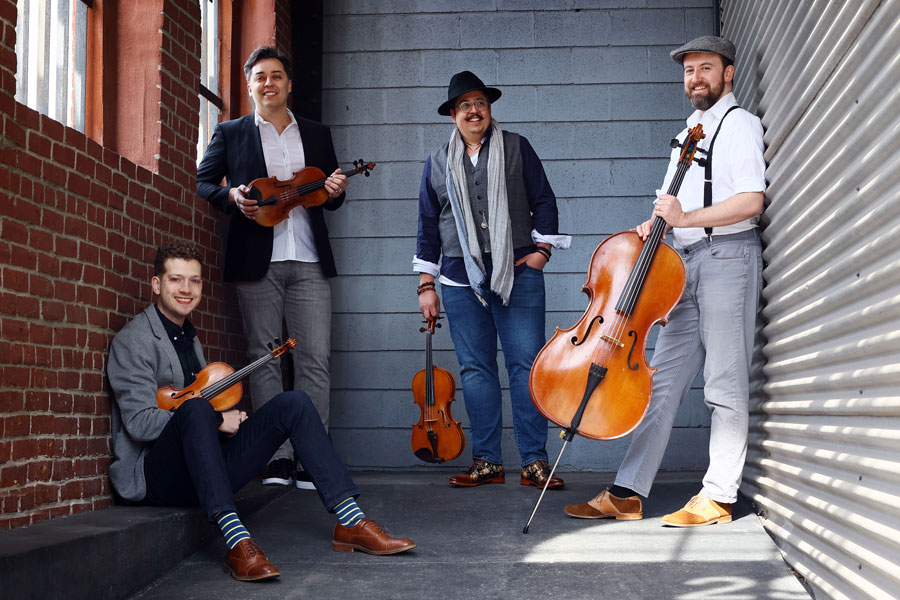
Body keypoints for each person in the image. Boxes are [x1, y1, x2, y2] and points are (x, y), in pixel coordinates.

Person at [107, 242, 415, 582]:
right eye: (176, 280)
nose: (186, 289)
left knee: (293, 403)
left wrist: (226, 421)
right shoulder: (134, 340)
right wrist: (214, 418)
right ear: (156, 284)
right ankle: (238, 543)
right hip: (159, 477)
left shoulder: (187, 336)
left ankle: (351, 521)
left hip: (201, 466)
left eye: (194, 281)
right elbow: (139, 423)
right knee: (196, 408)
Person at [565, 36, 765, 527]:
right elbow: (669, 210)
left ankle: (719, 497)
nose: (695, 78)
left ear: (728, 74)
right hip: (683, 267)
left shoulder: (739, 126)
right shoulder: (688, 133)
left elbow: (752, 202)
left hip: (728, 258)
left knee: (724, 384)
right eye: (689, 70)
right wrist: (653, 224)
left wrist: (685, 215)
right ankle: (628, 492)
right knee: (659, 385)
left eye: (706, 68)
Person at [196, 46, 346, 490]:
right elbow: (205, 181)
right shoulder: (231, 131)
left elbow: (331, 195)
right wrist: (231, 197)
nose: (269, 83)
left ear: (288, 84)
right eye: (260, 76)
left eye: (276, 75)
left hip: (309, 258)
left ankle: (309, 457)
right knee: (263, 358)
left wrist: (336, 190)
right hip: (256, 257)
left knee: (314, 359)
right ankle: (277, 457)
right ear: (249, 86)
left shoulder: (317, 134)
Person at [414, 71, 571, 489]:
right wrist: (426, 285)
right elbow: (429, 226)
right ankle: (487, 461)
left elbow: (544, 200)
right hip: (458, 279)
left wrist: (541, 253)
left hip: (518, 272)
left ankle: (535, 461)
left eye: (480, 102)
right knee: (476, 370)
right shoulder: (436, 163)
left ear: (489, 109)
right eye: (464, 105)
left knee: (525, 366)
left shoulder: (517, 148)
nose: (473, 110)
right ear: (452, 115)